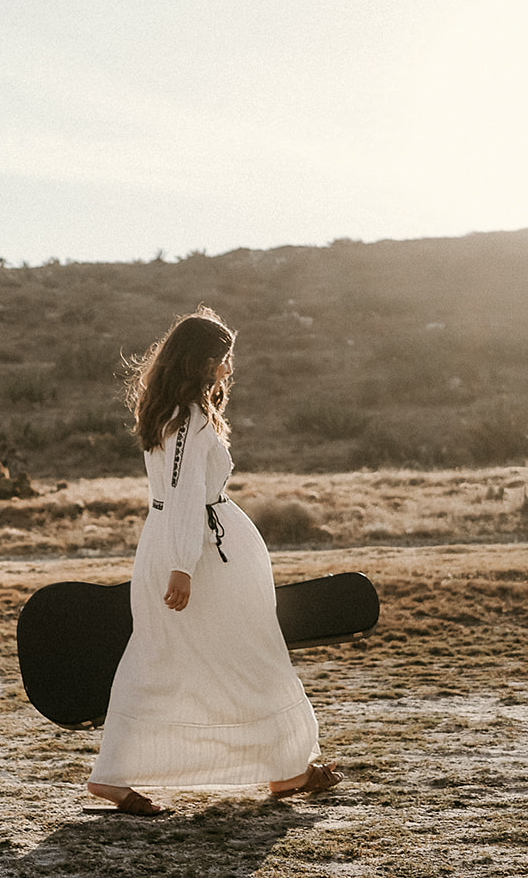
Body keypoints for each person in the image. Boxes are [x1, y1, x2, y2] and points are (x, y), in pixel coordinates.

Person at [87, 305, 341, 815]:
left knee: (177, 654)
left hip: (193, 544)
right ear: (198, 362)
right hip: (198, 552)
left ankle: (285, 768)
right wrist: (183, 565)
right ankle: (285, 768)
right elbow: (183, 494)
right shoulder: (187, 418)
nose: (227, 369)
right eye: (221, 360)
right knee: (234, 654)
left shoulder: (171, 411)